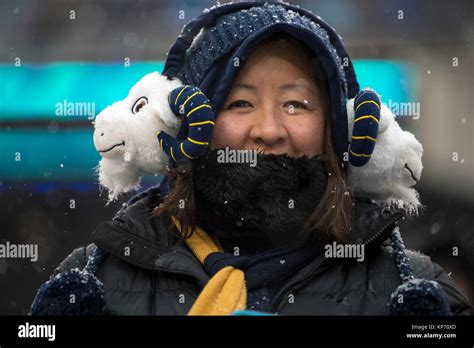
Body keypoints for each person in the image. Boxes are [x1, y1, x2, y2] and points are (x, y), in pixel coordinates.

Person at [32, 0, 471, 316]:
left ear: (340, 129)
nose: (269, 129)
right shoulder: (90, 285)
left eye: (296, 105)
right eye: (239, 104)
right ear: (183, 124)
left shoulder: (416, 293)